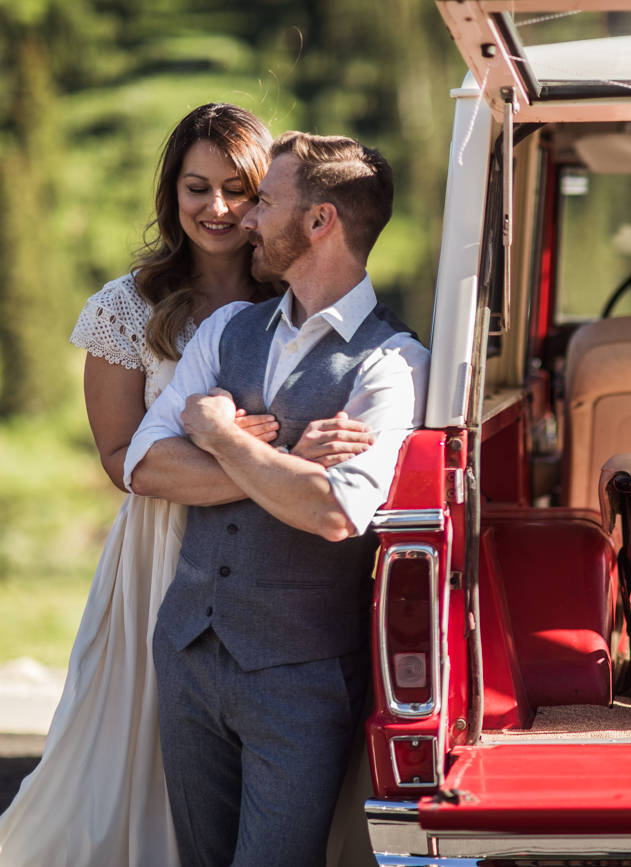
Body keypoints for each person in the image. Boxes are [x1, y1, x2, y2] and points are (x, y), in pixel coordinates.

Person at [0, 104, 375, 867]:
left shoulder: (302, 302)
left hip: (280, 563)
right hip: (160, 550)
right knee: (136, 745)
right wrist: (273, 462)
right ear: (171, 194)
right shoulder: (124, 308)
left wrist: (260, 460)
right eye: (196, 188)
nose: (218, 208)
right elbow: (119, 457)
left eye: (240, 189)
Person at [123, 130, 428, 866]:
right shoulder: (229, 328)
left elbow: (334, 510)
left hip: (302, 674)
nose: (248, 219)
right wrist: (287, 462)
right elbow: (144, 463)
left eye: (265, 201)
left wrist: (221, 435)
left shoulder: (394, 363)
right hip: (189, 651)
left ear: (320, 222)